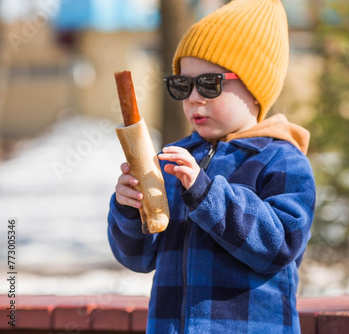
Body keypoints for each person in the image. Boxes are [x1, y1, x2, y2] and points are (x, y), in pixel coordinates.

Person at [108, 0, 316, 332]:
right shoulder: (175, 156)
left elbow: (278, 246)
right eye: (182, 85)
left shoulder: (283, 159)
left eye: (208, 84)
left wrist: (207, 195)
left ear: (254, 87)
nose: (193, 97)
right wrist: (130, 209)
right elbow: (137, 258)